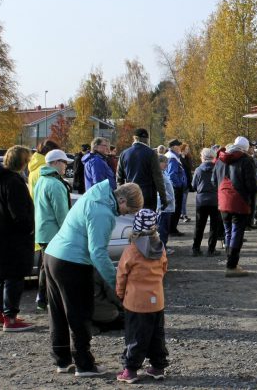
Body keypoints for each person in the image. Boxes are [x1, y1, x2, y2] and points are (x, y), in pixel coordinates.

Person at [45, 182, 143, 377]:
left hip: (52, 255)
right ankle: (84, 364)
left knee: (58, 312)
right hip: (72, 263)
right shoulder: (103, 213)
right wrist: (118, 283)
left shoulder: (94, 195)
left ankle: (62, 359)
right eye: (127, 210)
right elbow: (97, 253)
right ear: (121, 200)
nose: (124, 214)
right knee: (80, 313)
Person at [0, 146, 35, 332]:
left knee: (0, 275)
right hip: (11, 235)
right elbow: (19, 214)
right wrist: (29, 228)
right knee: (13, 275)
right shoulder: (14, 182)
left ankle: (1, 314)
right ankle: (10, 318)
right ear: (23, 162)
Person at [115, 209, 169, 384]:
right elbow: (164, 269)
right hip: (157, 300)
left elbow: (121, 276)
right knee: (156, 336)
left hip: (136, 302)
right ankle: (158, 367)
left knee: (135, 336)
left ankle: (130, 370)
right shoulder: (160, 248)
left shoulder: (131, 251)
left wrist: (120, 294)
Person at [33, 149, 73, 312]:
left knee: (45, 266)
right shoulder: (56, 184)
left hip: (42, 231)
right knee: (54, 269)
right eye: (64, 163)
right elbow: (62, 214)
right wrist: (69, 234)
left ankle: (41, 297)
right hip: (54, 233)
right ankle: (50, 299)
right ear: (56, 163)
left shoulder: (41, 180)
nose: (66, 167)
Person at [213, 136, 257, 277]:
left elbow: (213, 180)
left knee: (228, 232)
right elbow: (251, 184)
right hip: (239, 200)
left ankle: (230, 262)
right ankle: (231, 265)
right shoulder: (246, 160)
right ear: (245, 148)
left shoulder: (220, 159)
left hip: (223, 200)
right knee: (237, 232)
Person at [118, 129, 167, 212]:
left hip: (130, 194)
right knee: (147, 222)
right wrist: (163, 198)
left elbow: (119, 178)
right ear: (147, 139)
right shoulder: (151, 153)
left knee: (132, 222)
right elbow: (158, 178)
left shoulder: (124, 153)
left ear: (134, 138)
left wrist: (121, 197)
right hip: (148, 195)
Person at [192, 147, 222, 257]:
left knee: (199, 225)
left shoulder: (198, 170)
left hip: (201, 200)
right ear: (213, 157)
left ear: (203, 157)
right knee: (214, 226)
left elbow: (194, 185)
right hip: (215, 200)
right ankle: (211, 249)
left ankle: (196, 248)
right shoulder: (218, 169)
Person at [164, 139, 187, 236]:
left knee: (175, 209)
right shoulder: (172, 158)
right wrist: (179, 185)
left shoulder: (172, 156)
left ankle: (172, 228)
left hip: (174, 186)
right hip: (175, 187)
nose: (180, 148)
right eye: (178, 146)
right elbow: (172, 174)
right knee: (176, 209)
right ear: (174, 147)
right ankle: (172, 229)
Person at [156, 155, 176, 256]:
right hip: (164, 207)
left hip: (168, 206)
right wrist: (168, 199)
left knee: (165, 229)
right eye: (164, 162)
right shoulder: (158, 175)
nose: (167, 164)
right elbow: (161, 191)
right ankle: (162, 249)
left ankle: (164, 247)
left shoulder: (163, 173)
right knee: (162, 230)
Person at [179, 144, 193, 223]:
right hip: (182, 181)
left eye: (188, 149)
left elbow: (189, 168)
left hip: (187, 181)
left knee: (184, 200)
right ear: (182, 149)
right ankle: (184, 215)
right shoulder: (179, 158)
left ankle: (182, 214)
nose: (188, 150)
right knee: (183, 200)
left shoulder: (187, 157)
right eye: (187, 149)